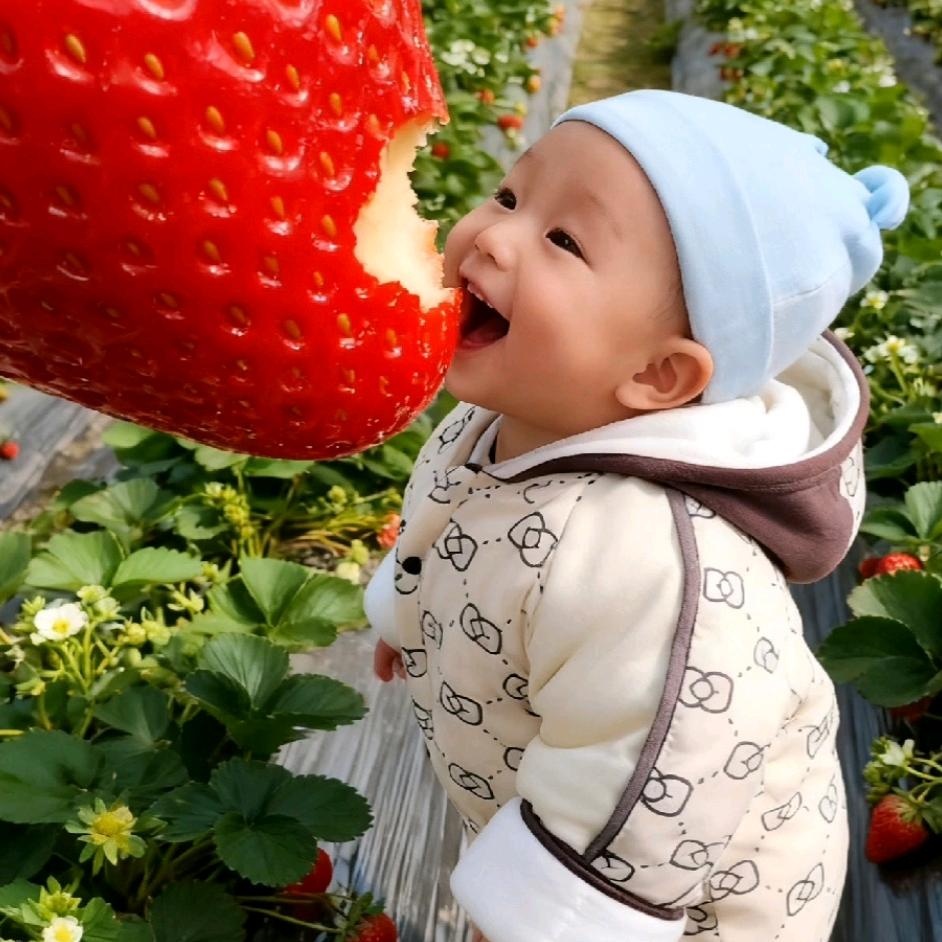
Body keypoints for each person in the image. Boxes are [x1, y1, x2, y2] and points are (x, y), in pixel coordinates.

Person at [365, 89, 910, 942]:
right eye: (511, 196)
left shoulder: (653, 567)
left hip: (679, 904)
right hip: (534, 781)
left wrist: (539, 918)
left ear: (659, 378)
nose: (496, 235)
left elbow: (649, 793)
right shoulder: (504, 418)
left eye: (564, 241)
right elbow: (442, 521)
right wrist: (409, 616)